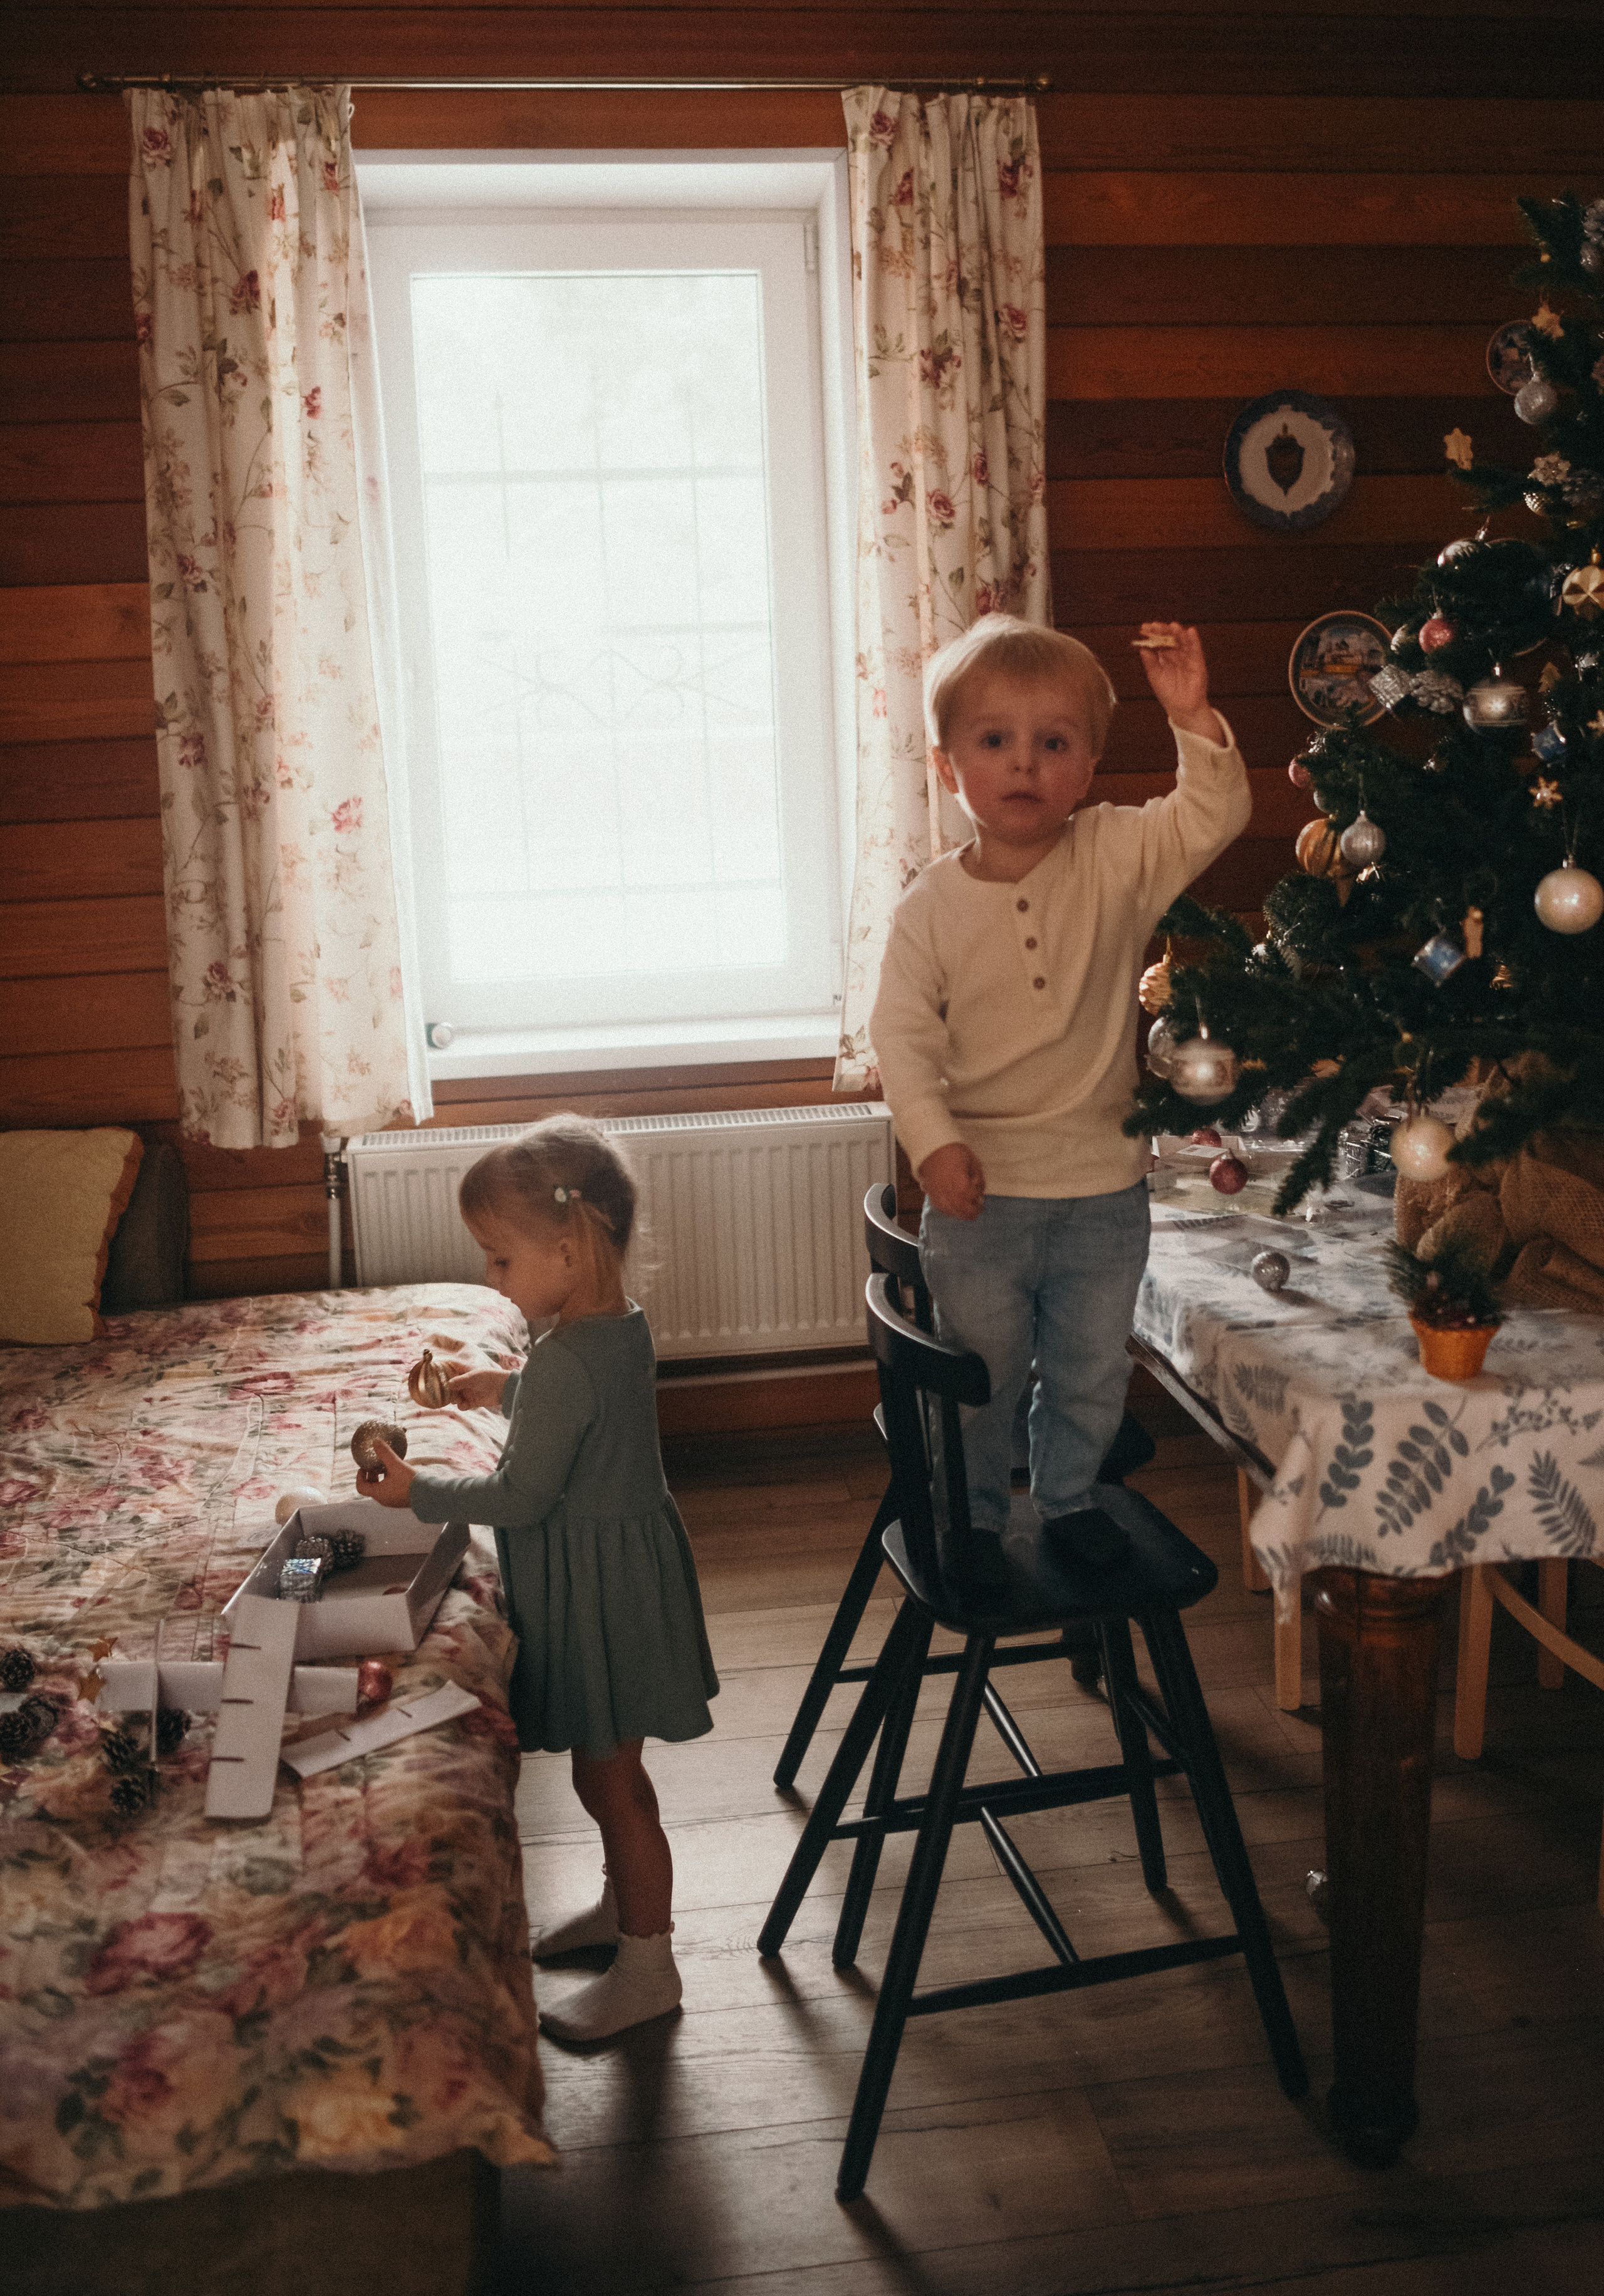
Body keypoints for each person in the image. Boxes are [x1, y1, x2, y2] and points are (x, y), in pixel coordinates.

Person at [869, 614, 1250, 1575]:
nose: (1024, 764)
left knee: (1089, 1373)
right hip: (979, 1193)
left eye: (1054, 742)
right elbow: (902, 1039)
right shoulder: (928, 908)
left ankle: (1073, 1501)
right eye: (994, 741)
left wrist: (1192, 716)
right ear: (951, 769)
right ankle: (979, 1520)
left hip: (1102, 1189)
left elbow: (1212, 817)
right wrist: (932, 1141)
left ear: (1085, 769)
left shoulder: (1119, 856)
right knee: (985, 1379)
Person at [356, 1116, 719, 2044]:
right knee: (615, 1772)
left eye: (500, 1260)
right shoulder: (613, 1330)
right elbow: (578, 1411)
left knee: (612, 1784)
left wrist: (416, 1490)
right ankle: (618, 1909)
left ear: (566, 1248)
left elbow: (520, 1493)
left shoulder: (564, 1359)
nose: (492, 1279)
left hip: (601, 1592)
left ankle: (650, 1963)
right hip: (628, 1573)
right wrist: (502, 1387)